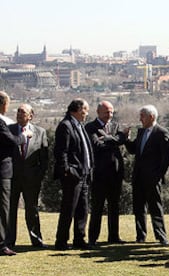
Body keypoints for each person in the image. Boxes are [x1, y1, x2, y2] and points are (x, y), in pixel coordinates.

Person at [125, 105, 169, 245]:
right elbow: (134, 150)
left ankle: (161, 236)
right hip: (138, 177)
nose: (140, 119)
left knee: (155, 207)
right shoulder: (141, 132)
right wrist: (127, 139)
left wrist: (158, 174)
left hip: (152, 178)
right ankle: (140, 236)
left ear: (151, 117)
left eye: (142, 116)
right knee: (139, 208)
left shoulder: (161, 132)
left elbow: (167, 157)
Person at [85, 101, 128, 245]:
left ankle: (114, 236)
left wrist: (109, 139)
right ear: (98, 112)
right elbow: (97, 145)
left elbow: (123, 139)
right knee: (97, 206)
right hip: (99, 174)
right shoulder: (90, 127)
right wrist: (116, 140)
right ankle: (93, 238)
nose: (109, 115)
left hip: (115, 173)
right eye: (106, 112)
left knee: (114, 206)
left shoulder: (115, 125)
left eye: (111, 112)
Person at [6, 104, 48, 249]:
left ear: (30, 115)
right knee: (10, 210)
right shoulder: (9, 130)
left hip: (32, 179)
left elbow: (44, 158)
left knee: (32, 210)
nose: (18, 114)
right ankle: (8, 241)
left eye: (22, 112)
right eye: (17, 111)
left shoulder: (40, 132)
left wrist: (39, 176)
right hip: (12, 178)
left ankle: (36, 240)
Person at [54, 98, 94, 250]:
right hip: (73, 175)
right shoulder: (66, 126)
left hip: (84, 175)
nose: (86, 113)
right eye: (85, 110)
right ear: (77, 110)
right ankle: (61, 241)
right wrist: (67, 171)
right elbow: (60, 152)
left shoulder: (79, 125)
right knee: (69, 208)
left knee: (82, 209)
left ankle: (79, 239)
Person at [0, 91, 33, 256]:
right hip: (3, 171)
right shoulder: (1, 123)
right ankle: (2, 244)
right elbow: (12, 141)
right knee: (3, 209)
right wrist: (24, 135)